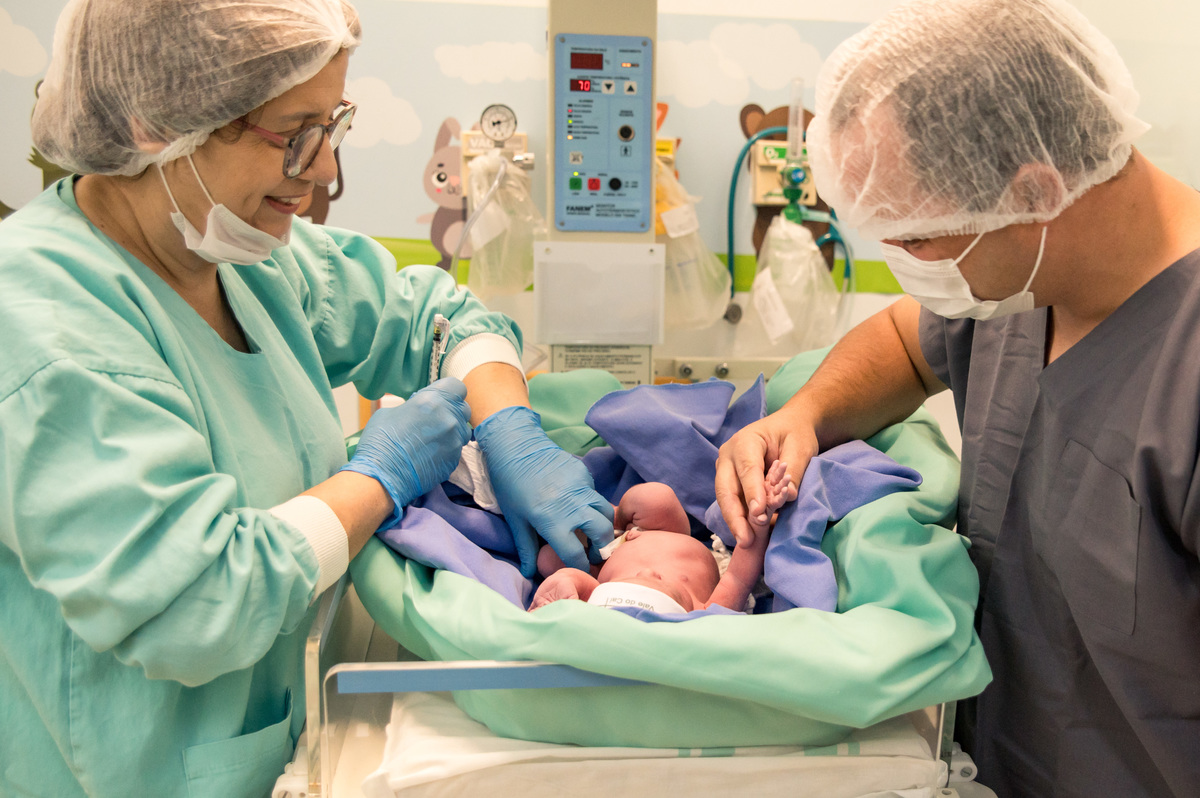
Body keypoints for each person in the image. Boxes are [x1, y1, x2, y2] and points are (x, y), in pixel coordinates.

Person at [0, 2, 614, 796]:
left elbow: (441, 315)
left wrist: (509, 425)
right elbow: (198, 602)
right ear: (160, 122)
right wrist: (378, 478)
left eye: (336, 124)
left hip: (286, 742)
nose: (325, 171)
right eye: (295, 134)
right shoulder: (47, 331)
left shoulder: (237, 254)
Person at [715, 0, 1200, 795]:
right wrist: (802, 417)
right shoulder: (1015, 289)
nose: (903, 262)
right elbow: (909, 342)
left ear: (1037, 192)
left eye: (914, 239)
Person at [532, 463, 789, 614]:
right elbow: (739, 576)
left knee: (546, 560)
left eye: (632, 580)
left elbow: (580, 583)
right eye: (660, 581)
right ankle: (610, 516)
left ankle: (597, 519)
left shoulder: (601, 604)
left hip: (606, 556)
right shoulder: (705, 612)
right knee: (656, 499)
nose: (646, 572)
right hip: (668, 531)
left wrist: (559, 589)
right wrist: (760, 517)